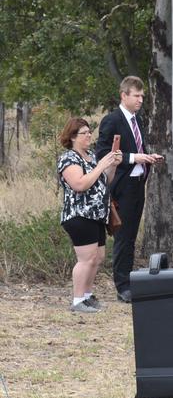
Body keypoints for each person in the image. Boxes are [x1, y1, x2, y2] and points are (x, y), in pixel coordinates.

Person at [95, 76, 164, 303]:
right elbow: (103, 154)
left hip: (136, 186)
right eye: (136, 95)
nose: (141, 100)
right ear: (123, 95)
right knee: (123, 237)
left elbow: (136, 147)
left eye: (142, 96)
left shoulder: (137, 120)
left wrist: (147, 157)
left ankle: (129, 282)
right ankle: (122, 286)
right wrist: (135, 158)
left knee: (132, 236)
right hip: (121, 188)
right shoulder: (112, 120)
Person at [57, 117, 122, 312]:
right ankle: (77, 300)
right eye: (84, 133)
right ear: (73, 137)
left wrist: (113, 166)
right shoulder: (69, 158)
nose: (88, 136)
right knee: (85, 259)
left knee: (97, 257)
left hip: (97, 215)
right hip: (79, 215)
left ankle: (86, 295)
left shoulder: (91, 156)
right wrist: (101, 165)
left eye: (89, 132)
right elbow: (80, 184)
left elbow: (104, 181)